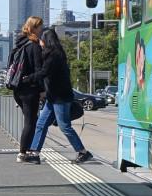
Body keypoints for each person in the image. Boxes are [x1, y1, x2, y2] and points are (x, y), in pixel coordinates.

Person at [30, 27, 92, 162]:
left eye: (41, 39)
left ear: (46, 40)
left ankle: (83, 152)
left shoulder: (54, 55)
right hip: (52, 97)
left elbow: (44, 72)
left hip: (61, 97)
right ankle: (35, 153)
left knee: (64, 126)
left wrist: (28, 78)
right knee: (41, 124)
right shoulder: (51, 54)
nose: (40, 42)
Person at [8, 17, 46, 162]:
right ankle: (23, 153)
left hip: (17, 88)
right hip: (30, 89)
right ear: (34, 28)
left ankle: (27, 151)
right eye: (40, 27)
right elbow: (38, 69)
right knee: (30, 122)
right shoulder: (34, 45)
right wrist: (42, 89)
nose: (41, 29)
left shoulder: (19, 45)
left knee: (31, 120)